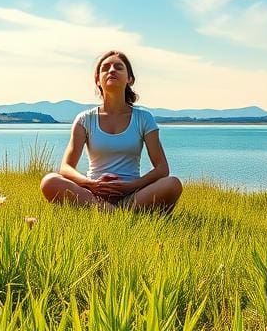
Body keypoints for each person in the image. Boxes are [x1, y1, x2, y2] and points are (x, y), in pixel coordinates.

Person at [40, 50, 183, 213]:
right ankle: (116, 212)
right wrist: (91, 184)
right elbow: (65, 168)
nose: (112, 70)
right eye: (105, 68)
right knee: (49, 181)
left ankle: (109, 212)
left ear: (130, 78)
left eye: (119, 67)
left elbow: (162, 168)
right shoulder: (84, 119)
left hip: (132, 194)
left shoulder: (144, 118)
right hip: (93, 194)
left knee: (172, 184)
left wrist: (131, 186)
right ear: (97, 80)